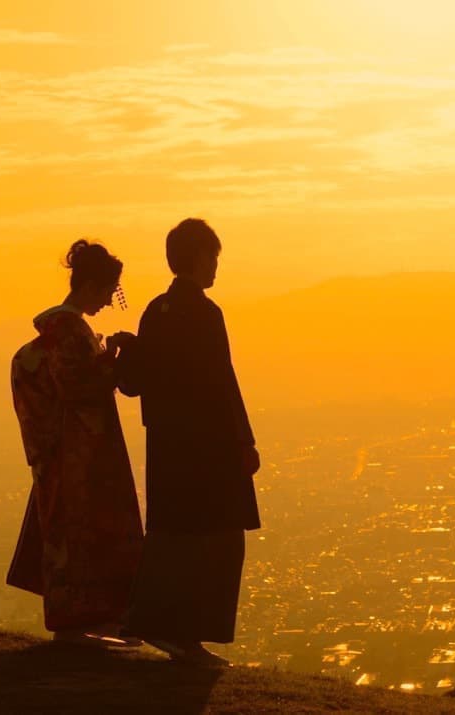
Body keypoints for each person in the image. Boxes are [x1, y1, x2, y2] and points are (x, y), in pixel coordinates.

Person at [121, 218, 260, 666]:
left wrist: (129, 351)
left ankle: (162, 627)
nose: (216, 267)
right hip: (209, 448)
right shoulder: (204, 313)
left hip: (166, 447)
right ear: (198, 259)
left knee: (171, 536)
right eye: (213, 258)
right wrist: (244, 441)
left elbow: (135, 384)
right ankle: (189, 638)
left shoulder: (155, 310)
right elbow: (223, 381)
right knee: (216, 540)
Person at [7, 240, 144, 647]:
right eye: (106, 292)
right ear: (90, 286)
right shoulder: (68, 331)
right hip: (77, 456)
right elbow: (77, 387)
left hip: (65, 454)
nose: (107, 301)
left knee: (68, 536)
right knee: (80, 536)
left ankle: (80, 621)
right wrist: (114, 358)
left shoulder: (59, 329)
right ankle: (73, 623)